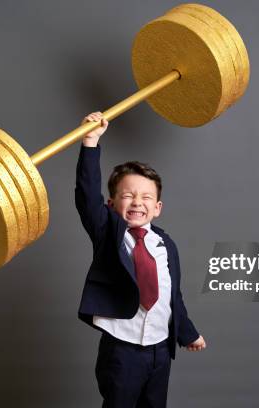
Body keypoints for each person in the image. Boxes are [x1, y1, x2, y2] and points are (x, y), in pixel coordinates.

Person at [75, 111, 206, 408]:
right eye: (128, 196)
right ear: (111, 204)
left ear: (157, 207)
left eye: (146, 197)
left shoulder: (165, 245)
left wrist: (188, 333)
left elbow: (173, 296)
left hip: (160, 351)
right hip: (122, 350)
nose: (137, 202)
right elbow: (86, 196)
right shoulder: (108, 233)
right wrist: (90, 141)